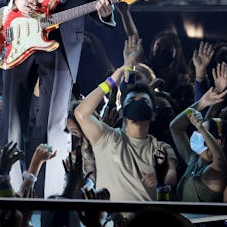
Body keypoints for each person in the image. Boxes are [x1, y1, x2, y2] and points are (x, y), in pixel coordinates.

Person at [0, 0, 115, 197]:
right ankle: (8, 192)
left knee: (50, 124)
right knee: (12, 118)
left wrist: (104, 9)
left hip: (61, 39)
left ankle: (42, 197)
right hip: (23, 35)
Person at [75, 68, 178, 203]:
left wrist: (161, 178)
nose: (137, 103)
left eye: (144, 101)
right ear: (122, 111)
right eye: (132, 101)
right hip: (112, 221)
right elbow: (81, 113)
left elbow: (171, 173)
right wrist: (110, 81)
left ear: (153, 114)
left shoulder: (160, 148)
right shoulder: (107, 137)